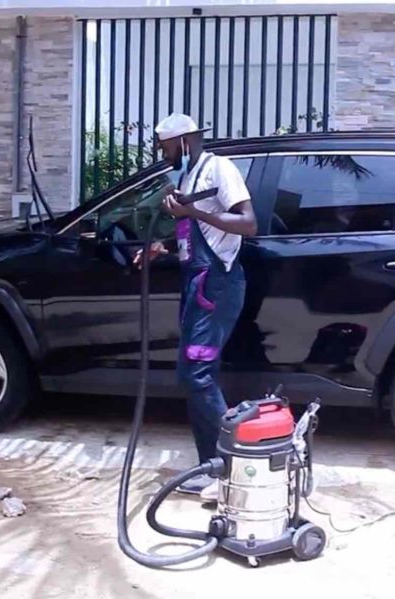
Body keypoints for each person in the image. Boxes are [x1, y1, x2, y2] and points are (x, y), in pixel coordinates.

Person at [138, 113, 257, 498]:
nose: (164, 155)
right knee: (194, 375)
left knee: (198, 375)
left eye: (166, 148)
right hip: (198, 285)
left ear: (184, 142)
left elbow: (248, 223)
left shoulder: (219, 169)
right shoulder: (188, 179)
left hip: (217, 287)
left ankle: (231, 469)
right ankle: (212, 467)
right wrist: (165, 249)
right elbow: (198, 238)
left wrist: (193, 211)